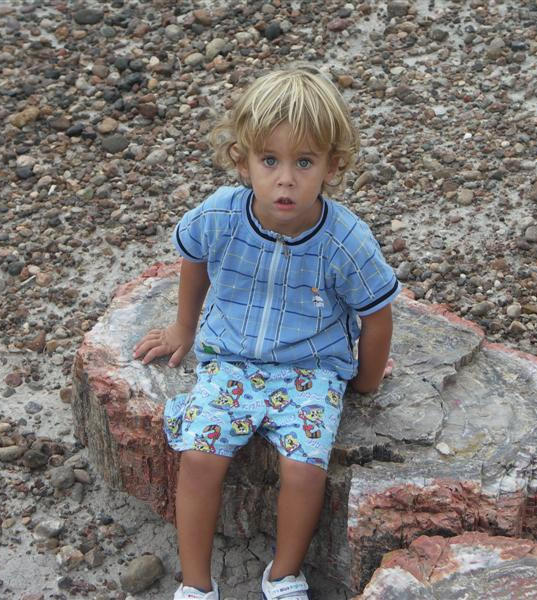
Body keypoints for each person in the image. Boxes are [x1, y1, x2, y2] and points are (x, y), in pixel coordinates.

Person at [133, 65, 400, 600]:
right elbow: (193, 257)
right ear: (243, 159)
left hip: (310, 368)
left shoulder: (345, 238)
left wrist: (366, 382)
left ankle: (282, 573)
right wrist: (184, 325)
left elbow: (378, 312)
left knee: (304, 471)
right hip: (228, 359)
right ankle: (196, 582)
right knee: (200, 456)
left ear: (332, 166)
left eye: (304, 162)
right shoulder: (222, 215)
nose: (285, 179)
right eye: (270, 160)